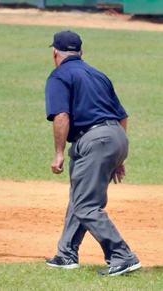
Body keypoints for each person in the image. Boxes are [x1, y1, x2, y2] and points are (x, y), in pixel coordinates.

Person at [44, 30, 141, 276]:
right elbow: (122, 115)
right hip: (117, 137)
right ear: (81, 53)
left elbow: (61, 115)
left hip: (95, 140)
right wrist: (118, 156)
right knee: (80, 197)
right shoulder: (98, 75)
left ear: (55, 52)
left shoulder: (59, 76)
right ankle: (66, 254)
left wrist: (58, 153)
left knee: (86, 205)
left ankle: (122, 256)